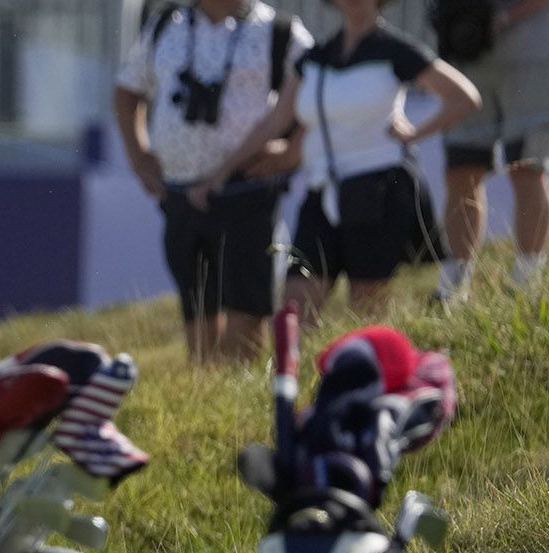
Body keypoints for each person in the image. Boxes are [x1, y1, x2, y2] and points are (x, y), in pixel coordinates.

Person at [192, 0, 479, 322]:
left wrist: (413, 132)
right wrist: (223, 172)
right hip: (323, 192)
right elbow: (274, 122)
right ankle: (292, 372)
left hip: (378, 192)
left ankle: (368, 370)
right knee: (293, 310)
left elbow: (464, 98)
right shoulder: (316, 57)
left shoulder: (396, 50)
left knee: (366, 310)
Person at [114, 0, 313, 362]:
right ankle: (206, 395)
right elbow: (127, 91)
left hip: (247, 191)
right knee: (196, 306)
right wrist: (138, 156)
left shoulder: (281, 31)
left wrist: (292, 150)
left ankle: (238, 396)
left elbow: (320, 88)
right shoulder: (166, 24)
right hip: (179, 191)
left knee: (247, 306)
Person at [436, 0, 549, 299]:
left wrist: (506, 16)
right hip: (466, 52)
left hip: (530, 55)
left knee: (526, 167)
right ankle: (453, 285)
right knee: (461, 171)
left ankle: (526, 280)